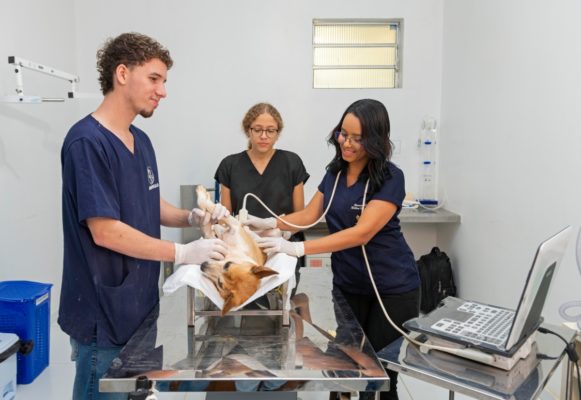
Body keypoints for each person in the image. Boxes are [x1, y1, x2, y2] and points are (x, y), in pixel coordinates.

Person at [58, 32, 229, 400]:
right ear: (122, 73)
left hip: (139, 307)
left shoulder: (140, 140)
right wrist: (182, 253)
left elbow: (148, 202)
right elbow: (106, 231)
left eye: (164, 81)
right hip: (102, 315)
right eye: (155, 79)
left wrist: (193, 217)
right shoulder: (87, 143)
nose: (163, 91)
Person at [243, 99, 420, 400]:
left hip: (390, 288)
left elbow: (362, 233)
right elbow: (310, 215)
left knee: (378, 377)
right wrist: (268, 222)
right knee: (343, 368)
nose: (346, 143)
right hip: (349, 285)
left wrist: (297, 250)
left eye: (357, 138)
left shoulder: (390, 178)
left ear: (375, 140)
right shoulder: (335, 173)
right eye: (342, 134)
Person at [214, 102, 309, 294]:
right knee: (246, 307)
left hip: (282, 250)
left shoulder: (292, 163)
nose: (264, 136)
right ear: (248, 131)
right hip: (245, 253)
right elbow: (225, 218)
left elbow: (301, 217)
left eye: (270, 131)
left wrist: (283, 232)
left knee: (283, 308)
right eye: (257, 130)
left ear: (278, 133)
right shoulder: (230, 165)